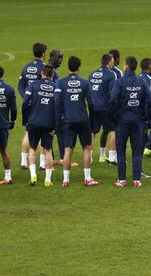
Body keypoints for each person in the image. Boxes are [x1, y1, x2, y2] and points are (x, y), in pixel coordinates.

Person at [109, 56, 151, 188]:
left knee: (121, 151)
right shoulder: (141, 81)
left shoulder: (120, 82)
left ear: (126, 66)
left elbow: (112, 99)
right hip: (138, 122)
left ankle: (122, 180)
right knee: (136, 151)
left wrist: (113, 116)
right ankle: (137, 180)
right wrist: (147, 116)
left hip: (122, 121)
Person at [55, 56, 99, 187]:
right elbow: (91, 102)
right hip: (82, 119)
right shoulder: (85, 82)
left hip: (68, 120)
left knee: (68, 149)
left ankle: (66, 180)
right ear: (79, 68)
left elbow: (57, 102)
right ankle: (87, 178)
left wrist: (58, 120)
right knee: (87, 147)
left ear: (68, 67)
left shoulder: (60, 83)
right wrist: (92, 118)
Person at [22, 65, 56, 187]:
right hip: (48, 123)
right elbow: (58, 107)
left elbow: (25, 102)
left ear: (42, 73)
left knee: (32, 148)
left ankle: (33, 175)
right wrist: (56, 125)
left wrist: (26, 119)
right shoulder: (55, 87)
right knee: (48, 150)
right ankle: (47, 179)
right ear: (52, 75)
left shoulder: (34, 85)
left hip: (34, 121)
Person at [17, 42, 47, 169]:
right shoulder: (45, 68)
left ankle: (24, 162)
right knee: (42, 133)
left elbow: (20, 85)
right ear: (43, 54)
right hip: (40, 105)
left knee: (28, 132)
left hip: (28, 104)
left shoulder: (26, 67)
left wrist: (26, 98)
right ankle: (42, 163)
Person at [88, 53, 117, 164]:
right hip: (105, 107)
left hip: (93, 106)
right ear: (109, 61)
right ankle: (112, 157)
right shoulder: (111, 74)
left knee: (92, 132)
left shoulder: (92, 73)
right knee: (113, 130)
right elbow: (112, 93)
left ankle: (89, 157)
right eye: (112, 61)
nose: (113, 63)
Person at [139, 58, 151, 159]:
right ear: (150, 66)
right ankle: (138, 170)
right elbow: (150, 99)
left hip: (136, 112)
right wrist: (150, 117)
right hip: (144, 115)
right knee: (142, 140)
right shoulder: (150, 80)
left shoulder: (138, 77)